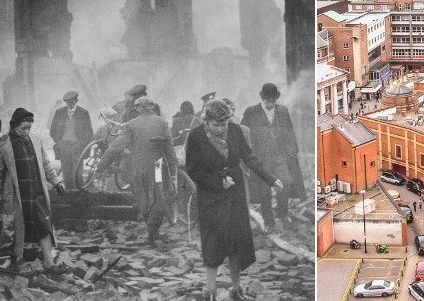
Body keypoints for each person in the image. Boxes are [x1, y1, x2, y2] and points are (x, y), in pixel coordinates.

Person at [185, 100, 282, 301]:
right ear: (206, 121)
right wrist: (218, 182)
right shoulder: (196, 136)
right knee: (213, 241)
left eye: (224, 124)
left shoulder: (236, 130)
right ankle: (210, 290)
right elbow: (193, 169)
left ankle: (236, 289)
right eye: (216, 125)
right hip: (211, 196)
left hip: (235, 193)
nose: (221, 129)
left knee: (236, 242)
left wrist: (270, 179)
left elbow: (249, 157)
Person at [0, 108, 65, 269]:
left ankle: (49, 262)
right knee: (17, 230)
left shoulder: (35, 140)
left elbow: (45, 164)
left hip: (36, 192)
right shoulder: (3, 145)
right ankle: (17, 261)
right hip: (17, 196)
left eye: (29, 128)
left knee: (43, 225)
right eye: (23, 128)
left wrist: (56, 182)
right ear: (14, 125)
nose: (26, 131)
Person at [96, 96, 177, 246]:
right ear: (152, 107)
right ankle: (152, 231)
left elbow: (115, 148)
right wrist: (173, 171)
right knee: (159, 198)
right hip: (158, 165)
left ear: (138, 108)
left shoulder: (130, 125)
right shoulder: (163, 123)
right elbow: (170, 149)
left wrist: (101, 166)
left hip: (139, 166)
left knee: (143, 199)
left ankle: (150, 231)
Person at [240, 83, 305, 231]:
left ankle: (282, 213)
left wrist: (293, 151)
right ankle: (269, 221)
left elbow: (290, 131)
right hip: (261, 159)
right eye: (267, 100)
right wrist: (247, 154)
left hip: (280, 157)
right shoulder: (251, 112)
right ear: (262, 98)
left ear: (276, 99)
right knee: (264, 190)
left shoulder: (282, 111)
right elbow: (242, 132)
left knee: (286, 182)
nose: (270, 103)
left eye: (273, 100)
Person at [49, 91, 93, 190]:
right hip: (63, 147)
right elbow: (53, 131)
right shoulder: (59, 112)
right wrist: (59, 143)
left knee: (77, 175)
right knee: (67, 175)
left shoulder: (83, 113)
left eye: (72, 102)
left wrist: (80, 144)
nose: (70, 105)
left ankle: (79, 196)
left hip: (78, 147)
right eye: (68, 103)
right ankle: (69, 196)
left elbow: (89, 133)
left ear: (76, 101)